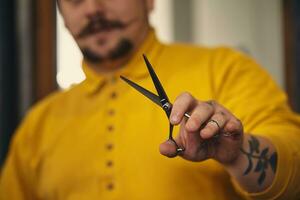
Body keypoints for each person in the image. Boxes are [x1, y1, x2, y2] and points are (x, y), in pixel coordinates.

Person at [1, 0, 300, 199]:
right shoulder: (38, 124)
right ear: (62, 15)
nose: (93, 8)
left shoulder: (226, 68)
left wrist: (238, 153)